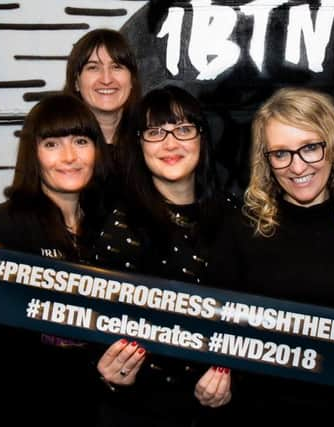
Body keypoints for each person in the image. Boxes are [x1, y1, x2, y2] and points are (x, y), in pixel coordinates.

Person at [207, 87, 334, 426]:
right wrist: (212, 377)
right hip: (260, 414)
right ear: (266, 160)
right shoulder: (239, 228)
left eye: (310, 148)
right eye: (281, 153)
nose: (297, 167)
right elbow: (216, 328)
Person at [92, 85, 236, 427]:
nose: (171, 144)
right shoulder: (115, 227)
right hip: (140, 415)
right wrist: (108, 376)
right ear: (138, 143)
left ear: (202, 137)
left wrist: (234, 375)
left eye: (183, 129)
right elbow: (92, 333)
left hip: (222, 416)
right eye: (156, 132)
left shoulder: (236, 218)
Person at [0, 94, 112, 426]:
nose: (69, 157)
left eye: (80, 141)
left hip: (100, 409)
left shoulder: (112, 225)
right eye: (52, 144)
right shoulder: (3, 227)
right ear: (34, 154)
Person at [63, 28, 141, 151]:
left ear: (132, 80)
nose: (106, 80)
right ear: (76, 82)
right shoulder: (55, 139)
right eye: (93, 68)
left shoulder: (150, 140)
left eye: (116, 67)